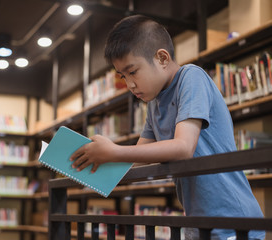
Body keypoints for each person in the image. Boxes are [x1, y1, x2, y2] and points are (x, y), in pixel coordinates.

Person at [70, 15, 265, 240]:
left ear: (162, 58)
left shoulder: (191, 77)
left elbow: (183, 147)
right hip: (198, 224)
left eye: (133, 72)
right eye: (123, 76)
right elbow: (138, 156)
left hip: (233, 223)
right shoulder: (154, 103)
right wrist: (92, 161)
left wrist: (113, 151)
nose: (130, 84)